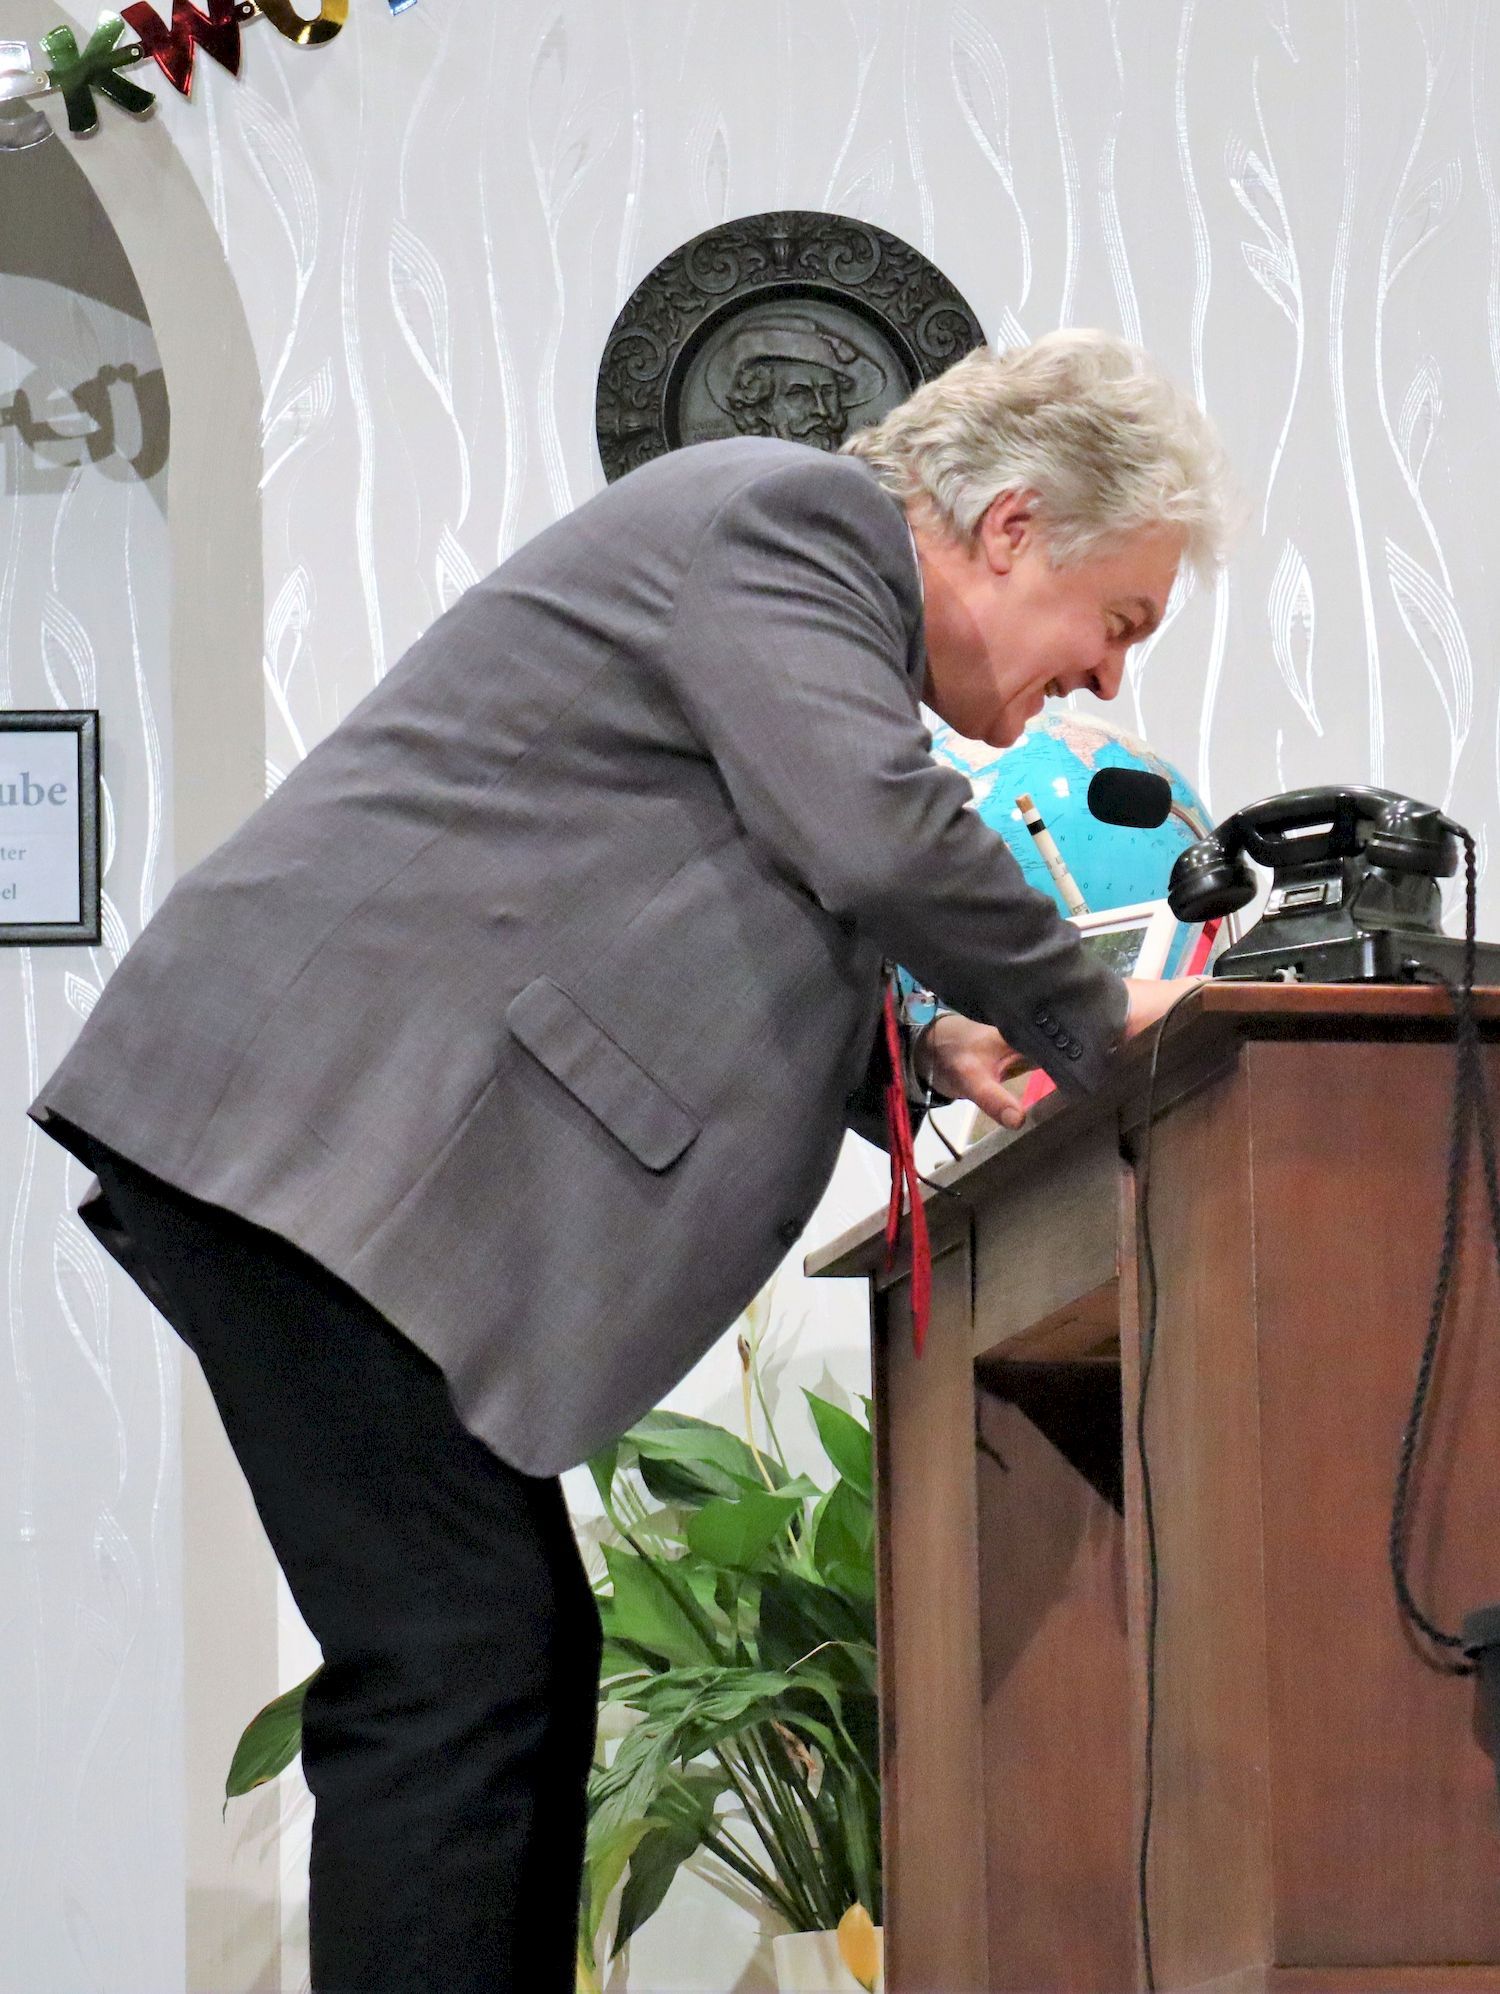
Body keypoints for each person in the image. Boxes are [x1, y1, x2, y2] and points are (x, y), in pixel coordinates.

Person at [28, 328, 1230, 1992]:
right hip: (305, 1139)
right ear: (1015, 526)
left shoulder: (797, 589)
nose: (1107, 680)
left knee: (506, 1644)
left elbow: (722, 890)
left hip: (319, 1152)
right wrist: (1098, 1014)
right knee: (454, 1652)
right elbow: (873, 829)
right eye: (1123, 620)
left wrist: (923, 1051)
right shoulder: (796, 520)